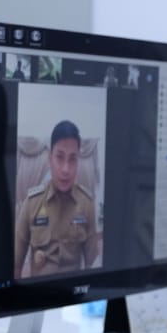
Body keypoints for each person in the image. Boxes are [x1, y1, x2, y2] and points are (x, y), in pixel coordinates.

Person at [14, 120, 100, 279]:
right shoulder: (31, 203)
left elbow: (91, 265)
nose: (66, 169)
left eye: (72, 159)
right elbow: (16, 266)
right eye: (60, 157)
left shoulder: (87, 204)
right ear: (49, 158)